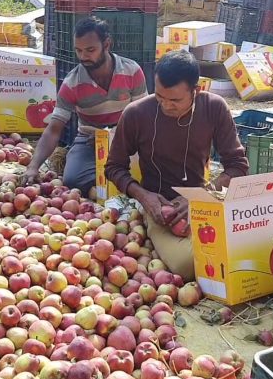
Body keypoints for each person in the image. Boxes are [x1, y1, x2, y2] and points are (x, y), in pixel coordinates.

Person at [105, 51, 249, 280]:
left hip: (205, 199)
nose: (166, 105)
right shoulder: (137, 113)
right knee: (188, 265)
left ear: (196, 90)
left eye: (175, 100)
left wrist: (200, 196)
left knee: (249, 247)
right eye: (161, 96)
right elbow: (113, 167)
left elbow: (238, 167)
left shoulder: (214, 107)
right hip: (161, 208)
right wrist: (144, 196)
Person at [23, 17, 148, 195]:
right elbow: (54, 129)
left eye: (90, 50)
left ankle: (109, 183)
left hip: (127, 138)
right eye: (79, 50)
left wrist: (115, 136)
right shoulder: (72, 83)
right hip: (90, 140)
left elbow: (142, 117)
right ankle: (114, 185)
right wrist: (33, 167)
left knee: (155, 171)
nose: (83, 57)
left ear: (107, 44)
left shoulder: (131, 70)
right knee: (73, 179)